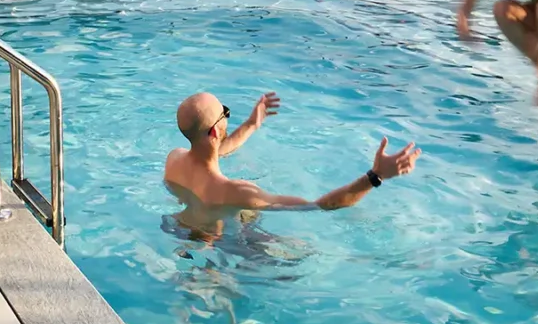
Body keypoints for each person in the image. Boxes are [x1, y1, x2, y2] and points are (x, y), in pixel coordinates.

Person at [162, 91, 420, 242]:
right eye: (225, 113)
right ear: (215, 131)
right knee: (301, 252)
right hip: (227, 243)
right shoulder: (237, 192)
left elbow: (212, 151)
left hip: (183, 230)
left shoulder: (174, 160)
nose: (228, 117)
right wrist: (376, 176)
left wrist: (251, 125)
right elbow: (320, 205)